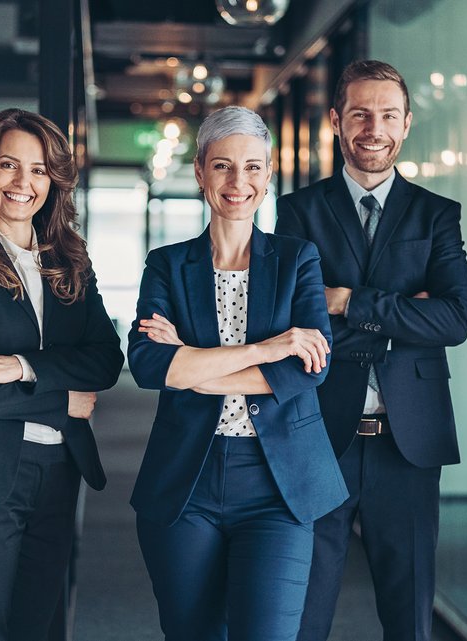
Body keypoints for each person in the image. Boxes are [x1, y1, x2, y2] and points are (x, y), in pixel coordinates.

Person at [129, 105, 348, 641]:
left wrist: (194, 365)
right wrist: (269, 347)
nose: (238, 181)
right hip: (187, 480)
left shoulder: (299, 259)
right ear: (201, 171)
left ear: (268, 175)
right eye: (223, 166)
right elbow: (150, 365)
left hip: (279, 484)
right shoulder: (166, 263)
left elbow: (306, 372)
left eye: (252, 167)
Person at [275, 59, 467, 641]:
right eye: (360, 113)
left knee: (409, 614)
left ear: (407, 123)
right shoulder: (299, 211)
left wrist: (348, 301)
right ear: (337, 121)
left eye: (388, 114)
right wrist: (404, 310)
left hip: (408, 444)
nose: (373, 127)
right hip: (318, 435)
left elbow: (454, 319)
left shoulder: (437, 214)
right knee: (304, 611)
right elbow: (296, 321)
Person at [0, 108, 123, 641]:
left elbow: (105, 360)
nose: (23, 183)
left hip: (57, 471)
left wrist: (17, 366)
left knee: (40, 627)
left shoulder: (70, 261)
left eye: (38, 170)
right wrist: (63, 401)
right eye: (9, 165)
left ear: (53, 182)